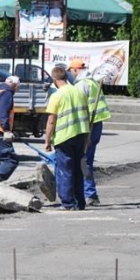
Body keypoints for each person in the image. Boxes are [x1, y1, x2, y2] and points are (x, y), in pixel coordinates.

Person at [44, 66, 90, 210]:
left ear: (54, 79)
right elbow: (87, 114)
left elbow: (51, 120)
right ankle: (80, 202)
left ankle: (68, 203)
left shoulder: (56, 96)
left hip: (64, 137)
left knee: (65, 170)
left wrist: (47, 140)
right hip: (81, 134)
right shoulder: (79, 91)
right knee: (78, 170)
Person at [67, 59, 111, 206]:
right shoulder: (92, 83)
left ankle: (89, 194)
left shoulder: (82, 85)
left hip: (89, 126)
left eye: (71, 70)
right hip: (96, 124)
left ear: (75, 70)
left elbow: (79, 106)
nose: (71, 74)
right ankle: (88, 193)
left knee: (83, 160)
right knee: (86, 159)